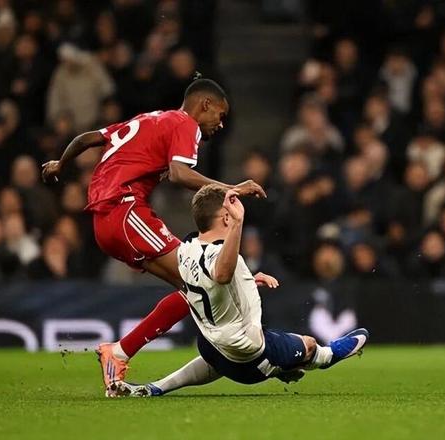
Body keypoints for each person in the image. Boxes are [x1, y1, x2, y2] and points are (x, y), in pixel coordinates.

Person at [41, 77, 266, 394]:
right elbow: (179, 173)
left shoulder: (148, 120)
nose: (221, 123)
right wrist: (231, 189)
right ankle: (119, 352)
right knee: (200, 283)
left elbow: (86, 138)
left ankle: (119, 353)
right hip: (125, 210)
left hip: (107, 222)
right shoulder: (185, 124)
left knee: (193, 289)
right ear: (205, 105)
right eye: (220, 114)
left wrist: (59, 164)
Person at [109, 185, 369, 397]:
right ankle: (324, 356)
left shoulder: (186, 248)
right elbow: (221, 274)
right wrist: (238, 223)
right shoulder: (219, 254)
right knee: (309, 345)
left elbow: (211, 281)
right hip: (249, 359)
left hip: (210, 347)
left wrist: (247, 280)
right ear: (225, 217)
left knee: (219, 354)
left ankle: (156, 387)